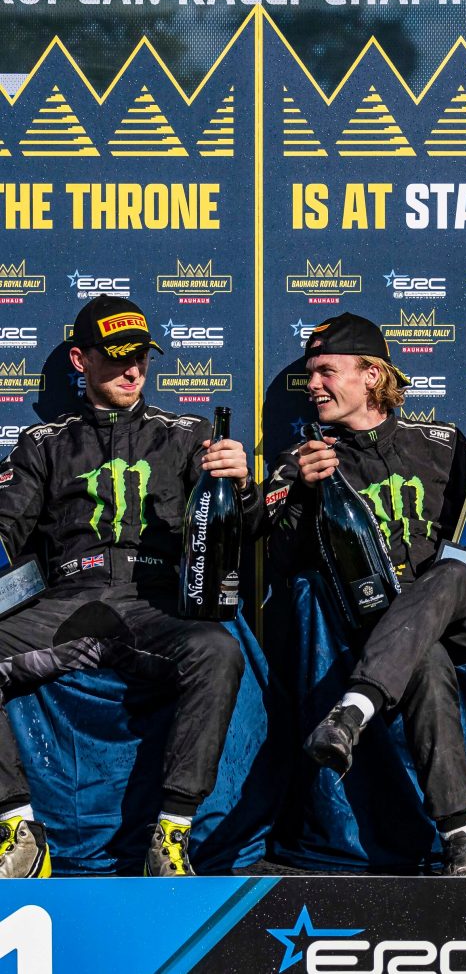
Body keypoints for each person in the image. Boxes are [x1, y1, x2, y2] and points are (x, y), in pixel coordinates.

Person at [264, 311, 466, 876]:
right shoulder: (306, 459)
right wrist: (300, 494)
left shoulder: (441, 442)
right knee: (427, 664)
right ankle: (459, 834)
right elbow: (279, 563)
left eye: (326, 371)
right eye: (311, 373)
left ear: (371, 375)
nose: (312, 384)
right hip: (386, 626)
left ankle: (354, 707)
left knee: (450, 573)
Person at [0, 294, 262, 879]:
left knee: (219, 650)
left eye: (140, 356)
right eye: (117, 356)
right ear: (81, 360)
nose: (132, 370)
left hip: (155, 606)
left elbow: (243, 529)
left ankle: (171, 833)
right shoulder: (43, 442)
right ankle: (18, 828)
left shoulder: (187, 435)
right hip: (69, 603)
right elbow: (6, 528)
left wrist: (242, 487)